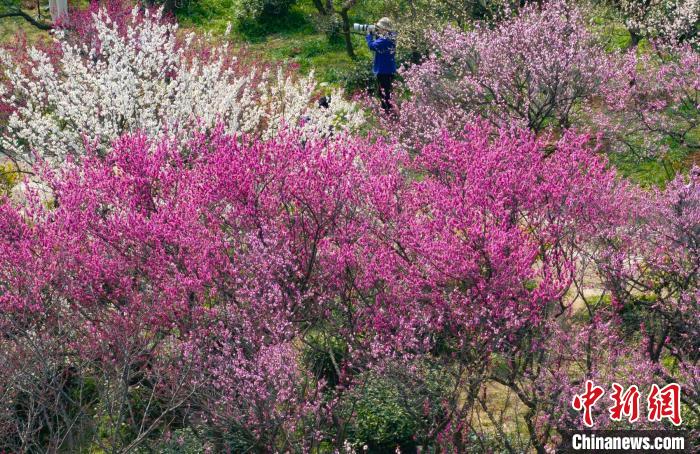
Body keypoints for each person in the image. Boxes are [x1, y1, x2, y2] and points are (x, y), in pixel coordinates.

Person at [366, 17, 397, 113]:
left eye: (380, 27)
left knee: (384, 94)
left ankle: (387, 114)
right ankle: (389, 113)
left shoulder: (385, 39)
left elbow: (372, 46)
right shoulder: (392, 36)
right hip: (389, 69)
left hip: (383, 70)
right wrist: (377, 35)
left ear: (385, 28)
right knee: (387, 93)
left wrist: (369, 35)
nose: (378, 29)